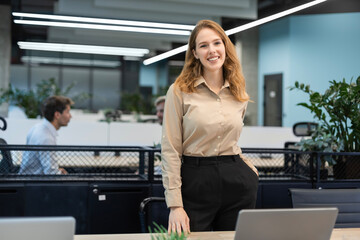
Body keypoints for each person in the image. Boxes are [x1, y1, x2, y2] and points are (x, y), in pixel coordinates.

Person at [161, 20, 259, 234]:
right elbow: (170, 149)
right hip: (195, 181)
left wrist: (250, 172)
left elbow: (233, 140)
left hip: (236, 181)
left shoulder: (238, 92)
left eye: (217, 43)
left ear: (225, 47)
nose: (212, 50)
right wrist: (175, 205)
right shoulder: (179, 91)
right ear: (194, 53)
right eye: (203, 45)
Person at [19, 96, 74, 175]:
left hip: (29, 180)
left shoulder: (38, 128)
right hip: (35, 183)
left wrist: (57, 170)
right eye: (68, 112)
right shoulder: (46, 138)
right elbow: (51, 173)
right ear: (57, 115)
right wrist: (61, 174)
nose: (70, 116)